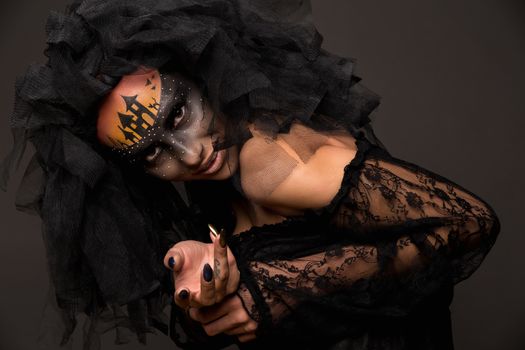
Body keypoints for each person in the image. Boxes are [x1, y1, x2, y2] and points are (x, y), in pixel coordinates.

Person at [1, 0, 500, 349]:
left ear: (197, 74)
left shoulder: (272, 164)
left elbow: (469, 221)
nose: (191, 155)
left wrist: (283, 281)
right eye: (153, 153)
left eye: (177, 115)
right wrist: (215, 296)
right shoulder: (219, 183)